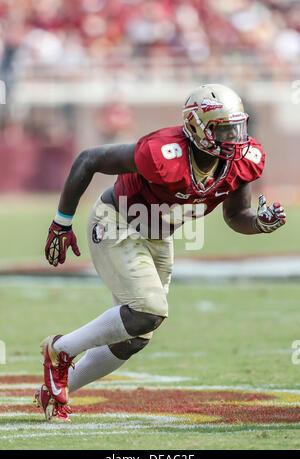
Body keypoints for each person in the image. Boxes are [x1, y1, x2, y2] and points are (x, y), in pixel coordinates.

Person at [34, 84, 286, 421]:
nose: (235, 137)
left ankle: (56, 389)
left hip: (158, 233)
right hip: (118, 221)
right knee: (148, 311)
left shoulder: (242, 159)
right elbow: (89, 159)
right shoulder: (163, 151)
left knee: (137, 335)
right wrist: (61, 223)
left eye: (237, 127)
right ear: (197, 127)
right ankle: (60, 350)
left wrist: (260, 224)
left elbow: (237, 215)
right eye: (224, 129)